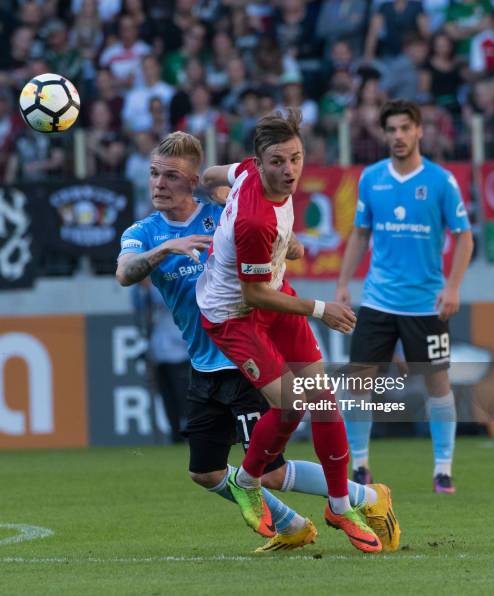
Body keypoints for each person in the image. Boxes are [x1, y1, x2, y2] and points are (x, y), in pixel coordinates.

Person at [116, 131, 400, 553]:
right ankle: (298, 523)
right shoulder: (144, 232)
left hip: (244, 353)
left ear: (194, 182)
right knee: (207, 472)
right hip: (204, 363)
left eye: (171, 176)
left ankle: (360, 499)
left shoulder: (222, 212)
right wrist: (166, 250)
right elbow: (125, 272)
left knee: (271, 465)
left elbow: (271, 235)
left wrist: (289, 245)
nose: (159, 183)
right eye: (155, 174)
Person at [195, 109, 399, 553]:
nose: (289, 171)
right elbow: (252, 297)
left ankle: (340, 505)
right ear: (259, 160)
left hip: (272, 289)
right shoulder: (254, 222)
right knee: (291, 404)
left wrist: (220, 195)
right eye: (278, 162)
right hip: (234, 314)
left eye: (296, 158)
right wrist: (320, 308)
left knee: (323, 401)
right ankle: (247, 481)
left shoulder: (248, 171)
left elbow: (211, 174)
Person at [335, 99, 473, 493]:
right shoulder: (371, 178)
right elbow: (360, 233)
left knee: (436, 383)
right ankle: (359, 466)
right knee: (359, 381)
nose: (397, 136)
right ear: (385, 134)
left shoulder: (441, 181)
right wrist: (344, 283)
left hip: (425, 302)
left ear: (419, 131)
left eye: (404, 129)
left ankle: (443, 470)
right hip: (378, 300)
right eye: (391, 130)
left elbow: (464, 238)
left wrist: (453, 286)